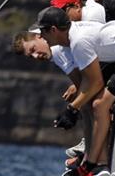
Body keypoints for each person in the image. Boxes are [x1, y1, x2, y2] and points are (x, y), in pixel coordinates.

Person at [34, 7, 115, 176]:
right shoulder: (72, 37)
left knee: (99, 104)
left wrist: (71, 109)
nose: (41, 36)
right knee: (89, 103)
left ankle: (93, 165)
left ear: (54, 30)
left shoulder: (78, 42)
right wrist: (75, 107)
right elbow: (87, 79)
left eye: (43, 31)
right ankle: (91, 158)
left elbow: (95, 83)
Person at [11, 30, 90, 166]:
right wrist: (75, 89)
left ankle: (92, 154)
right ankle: (91, 147)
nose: (36, 56)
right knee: (79, 98)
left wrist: (71, 110)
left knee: (87, 101)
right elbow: (81, 81)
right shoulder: (55, 53)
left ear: (39, 36)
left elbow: (90, 84)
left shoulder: (57, 49)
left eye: (33, 49)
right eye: (31, 56)